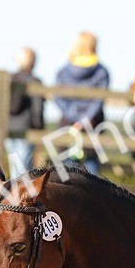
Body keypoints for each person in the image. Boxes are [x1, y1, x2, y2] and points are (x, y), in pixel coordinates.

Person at [54, 32, 110, 173]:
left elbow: (58, 96)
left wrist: (73, 116)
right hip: (93, 123)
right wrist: (85, 120)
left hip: (68, 123)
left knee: (67, 173)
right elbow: (99, 99)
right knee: (91, 169)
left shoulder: (62, 72)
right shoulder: (102, 72)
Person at [4, 47, 44, 177]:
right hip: (26, 130)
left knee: (14, 168)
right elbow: (38, 108)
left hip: (8, 128)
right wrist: (39, 128)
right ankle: (17, 196)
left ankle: (14, 194)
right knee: (21, 172)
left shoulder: (9, 79)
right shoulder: (35, 81)